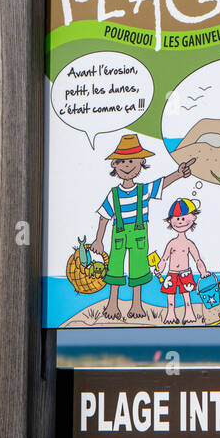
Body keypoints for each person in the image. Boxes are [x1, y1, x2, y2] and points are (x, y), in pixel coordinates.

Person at [87, 134, 194, 320]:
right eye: (122, 162)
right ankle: (112, 303)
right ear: (114, 165)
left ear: (141, 162)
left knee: (138, 267)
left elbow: (162, 183)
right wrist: (98, 240)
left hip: (138, 235)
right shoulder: (113, 194)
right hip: (119, 235)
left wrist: (178, 173)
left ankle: (137, 304)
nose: (127, 166)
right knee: (115, 267)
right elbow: (104, 217)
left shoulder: (143, 190)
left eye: (131, 161)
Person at [157, 198, 209, 325]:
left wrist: (203, 272)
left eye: (183, 218)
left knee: (187, 297)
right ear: (171, 220)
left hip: (185, 273)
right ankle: (170, 315)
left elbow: (197, 259)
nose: (180, 222)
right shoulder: (172, 243)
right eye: (177, 218)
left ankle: (189, 314)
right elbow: (164, 258)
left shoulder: (189, 244)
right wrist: (159, 269)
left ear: (192, 218)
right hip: (172, 274)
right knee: (170, 297)